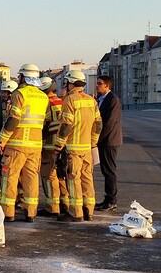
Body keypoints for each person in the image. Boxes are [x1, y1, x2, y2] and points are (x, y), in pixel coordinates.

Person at [0, 63, 48, 222]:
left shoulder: (19, 94)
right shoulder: (43, 97)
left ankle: (8, 212)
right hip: (35, 146)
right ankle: (30, 212)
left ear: (24, 77)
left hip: (17, 144)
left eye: (20, 76)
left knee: (10, 177)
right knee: (31, 179)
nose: (18, 79)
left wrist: (1, 139)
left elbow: (13, 120)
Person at [53, 69, 102, 222]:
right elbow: (98, 125)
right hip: (87, 148)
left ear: (71, 83)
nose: (66, 85)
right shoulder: (91, 100)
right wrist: (93, 142)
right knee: (87, 178)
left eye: (67, 82)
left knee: (73, 179)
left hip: (73, 149)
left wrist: (58, 146)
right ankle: (89, 210)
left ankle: (76, 212)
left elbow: (66, 126)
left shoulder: (70, 100)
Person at [37, 77, 65, 217]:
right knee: (61, 174)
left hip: (49, 145)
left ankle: (52, 206)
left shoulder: (46, 103)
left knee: (48, 175)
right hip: (62, 144)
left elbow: (46, 124)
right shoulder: (62, 101)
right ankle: (64, 202)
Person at [94, 75, 122, 212]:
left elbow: (110, 122)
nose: (97, 85)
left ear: (107, 85)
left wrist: (98, 138)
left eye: (99, 83)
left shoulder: (113, 100)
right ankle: (107, 198)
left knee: (109, 170)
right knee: (105, 170)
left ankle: (112, 200)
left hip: (110, 140)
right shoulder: (100, 99)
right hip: (104, 140)